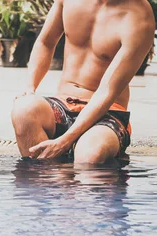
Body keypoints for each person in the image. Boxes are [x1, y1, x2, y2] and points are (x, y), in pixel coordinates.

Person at [11, 0, 155, 164]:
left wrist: (65, 141)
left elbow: (106, 92)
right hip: (64, 102)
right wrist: (30, 86)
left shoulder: (139, 16)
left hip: (107, 112)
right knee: (24, 110)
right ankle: (46, 183)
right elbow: (46, 42)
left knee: (90, 154)